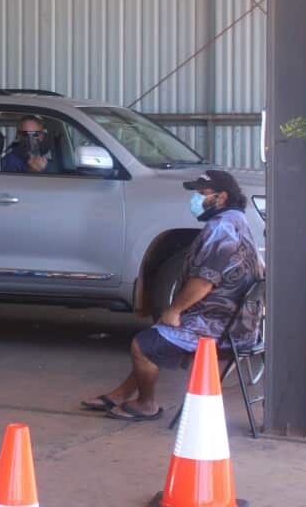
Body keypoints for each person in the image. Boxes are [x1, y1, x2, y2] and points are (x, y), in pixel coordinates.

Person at [79, 169, 264, 421]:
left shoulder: (221, 228)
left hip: (220, 328)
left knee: (142, 344)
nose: (196, 199)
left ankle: (146, 405)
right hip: (239, 325)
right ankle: (121, 394)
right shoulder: (236, 220)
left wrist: (174, 309)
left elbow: (203, 281)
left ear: (221, 197)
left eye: (202, 193)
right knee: (156, 335)